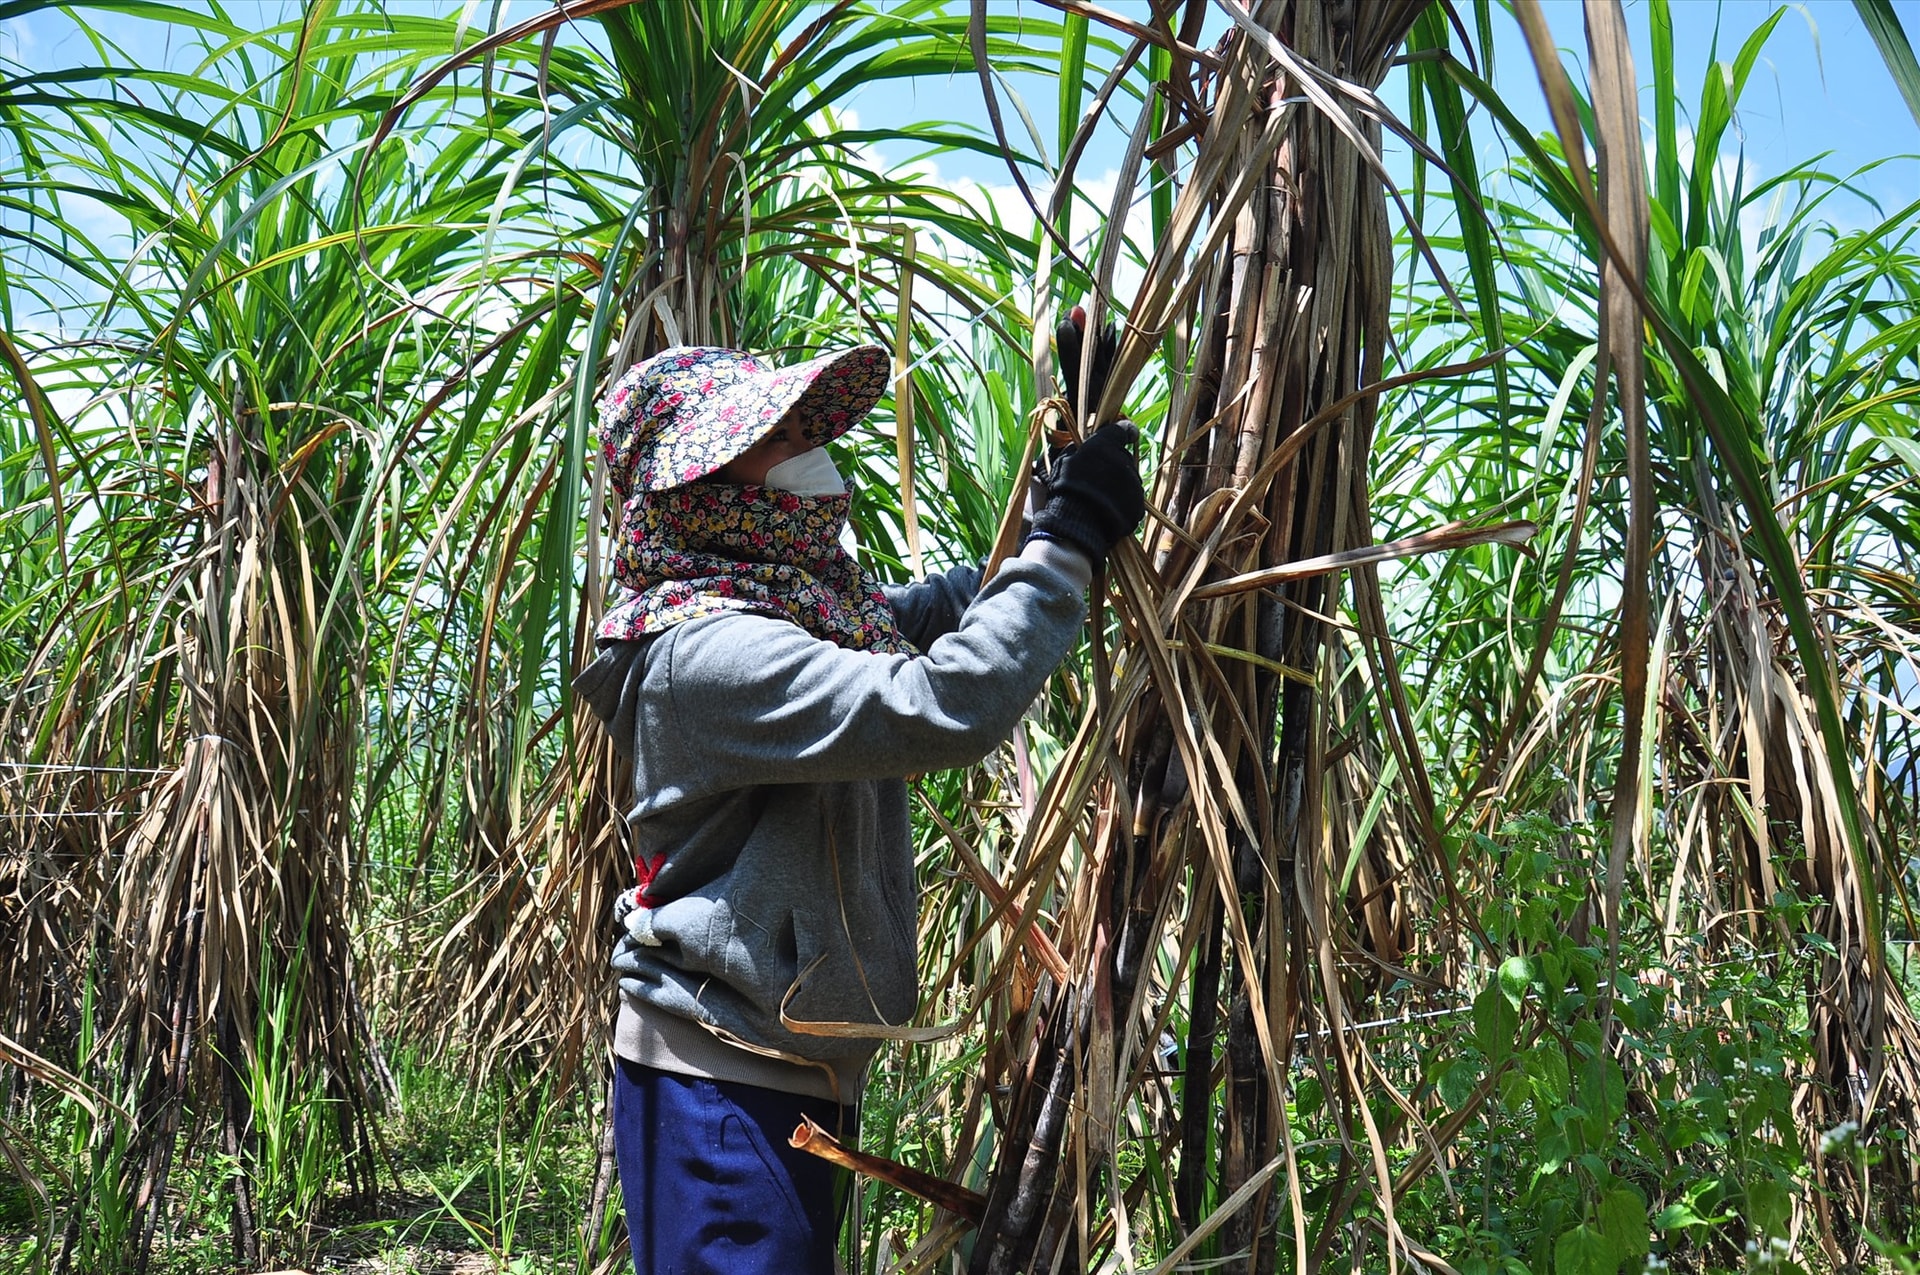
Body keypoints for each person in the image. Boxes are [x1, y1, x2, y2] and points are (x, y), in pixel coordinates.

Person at [576, 326, 1142, 1275]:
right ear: (699, 488)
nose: (809, 457)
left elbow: (922, 615)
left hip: (780, 1070)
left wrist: (1052, 494)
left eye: (804, 427)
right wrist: (1066, 547)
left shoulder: (793, 607)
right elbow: (943, 704)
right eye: (778, 438)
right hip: (721, 1082)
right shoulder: (709, 655)